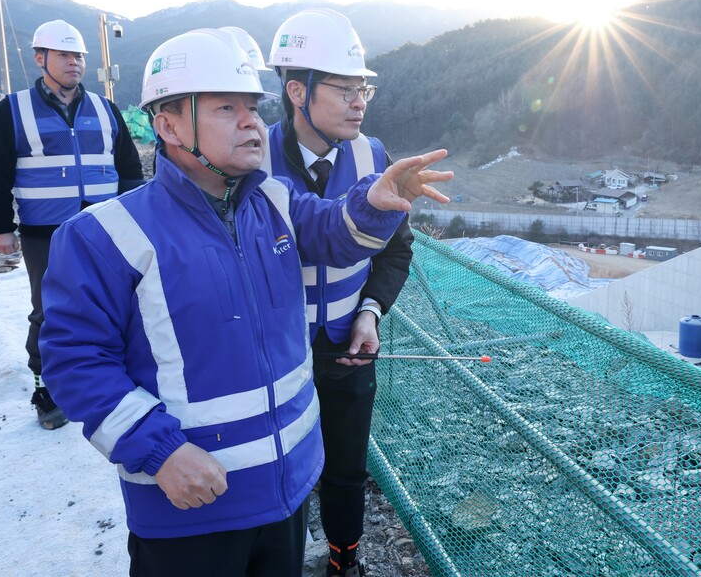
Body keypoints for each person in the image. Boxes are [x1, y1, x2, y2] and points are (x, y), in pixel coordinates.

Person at [37, 28, 452, 577]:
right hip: (190, 506)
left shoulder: (274, 201)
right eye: (225, 108)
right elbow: (74, 361)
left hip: (285, 493)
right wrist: (158, 451)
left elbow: (334, 231)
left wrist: (374, 203)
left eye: (253, 107)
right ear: (168, 126)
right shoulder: (104, 236)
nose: (251, 122)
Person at [265, 8, 411, 577]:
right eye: (345, 89)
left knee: (346, 468)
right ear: (297, 92)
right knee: (279, 469)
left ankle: (343, 560)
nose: (359, 102)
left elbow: (396, 250)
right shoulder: (251, 162)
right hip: (275, 354)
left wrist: (370, 312)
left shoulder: (374, 156)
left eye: (363, 89)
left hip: (350, 345)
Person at [0, 19, 144, 430]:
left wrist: (140, 217)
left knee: (120, 302)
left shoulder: (105, 108)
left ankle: (117, 376)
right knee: (50, 310)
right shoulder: (13, 110)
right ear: (40, 58)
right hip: (45, 232)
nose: (74, 63)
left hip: (105, 228)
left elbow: (128, 168)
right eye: (64, 55)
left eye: (78, 56)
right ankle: (47, 390)